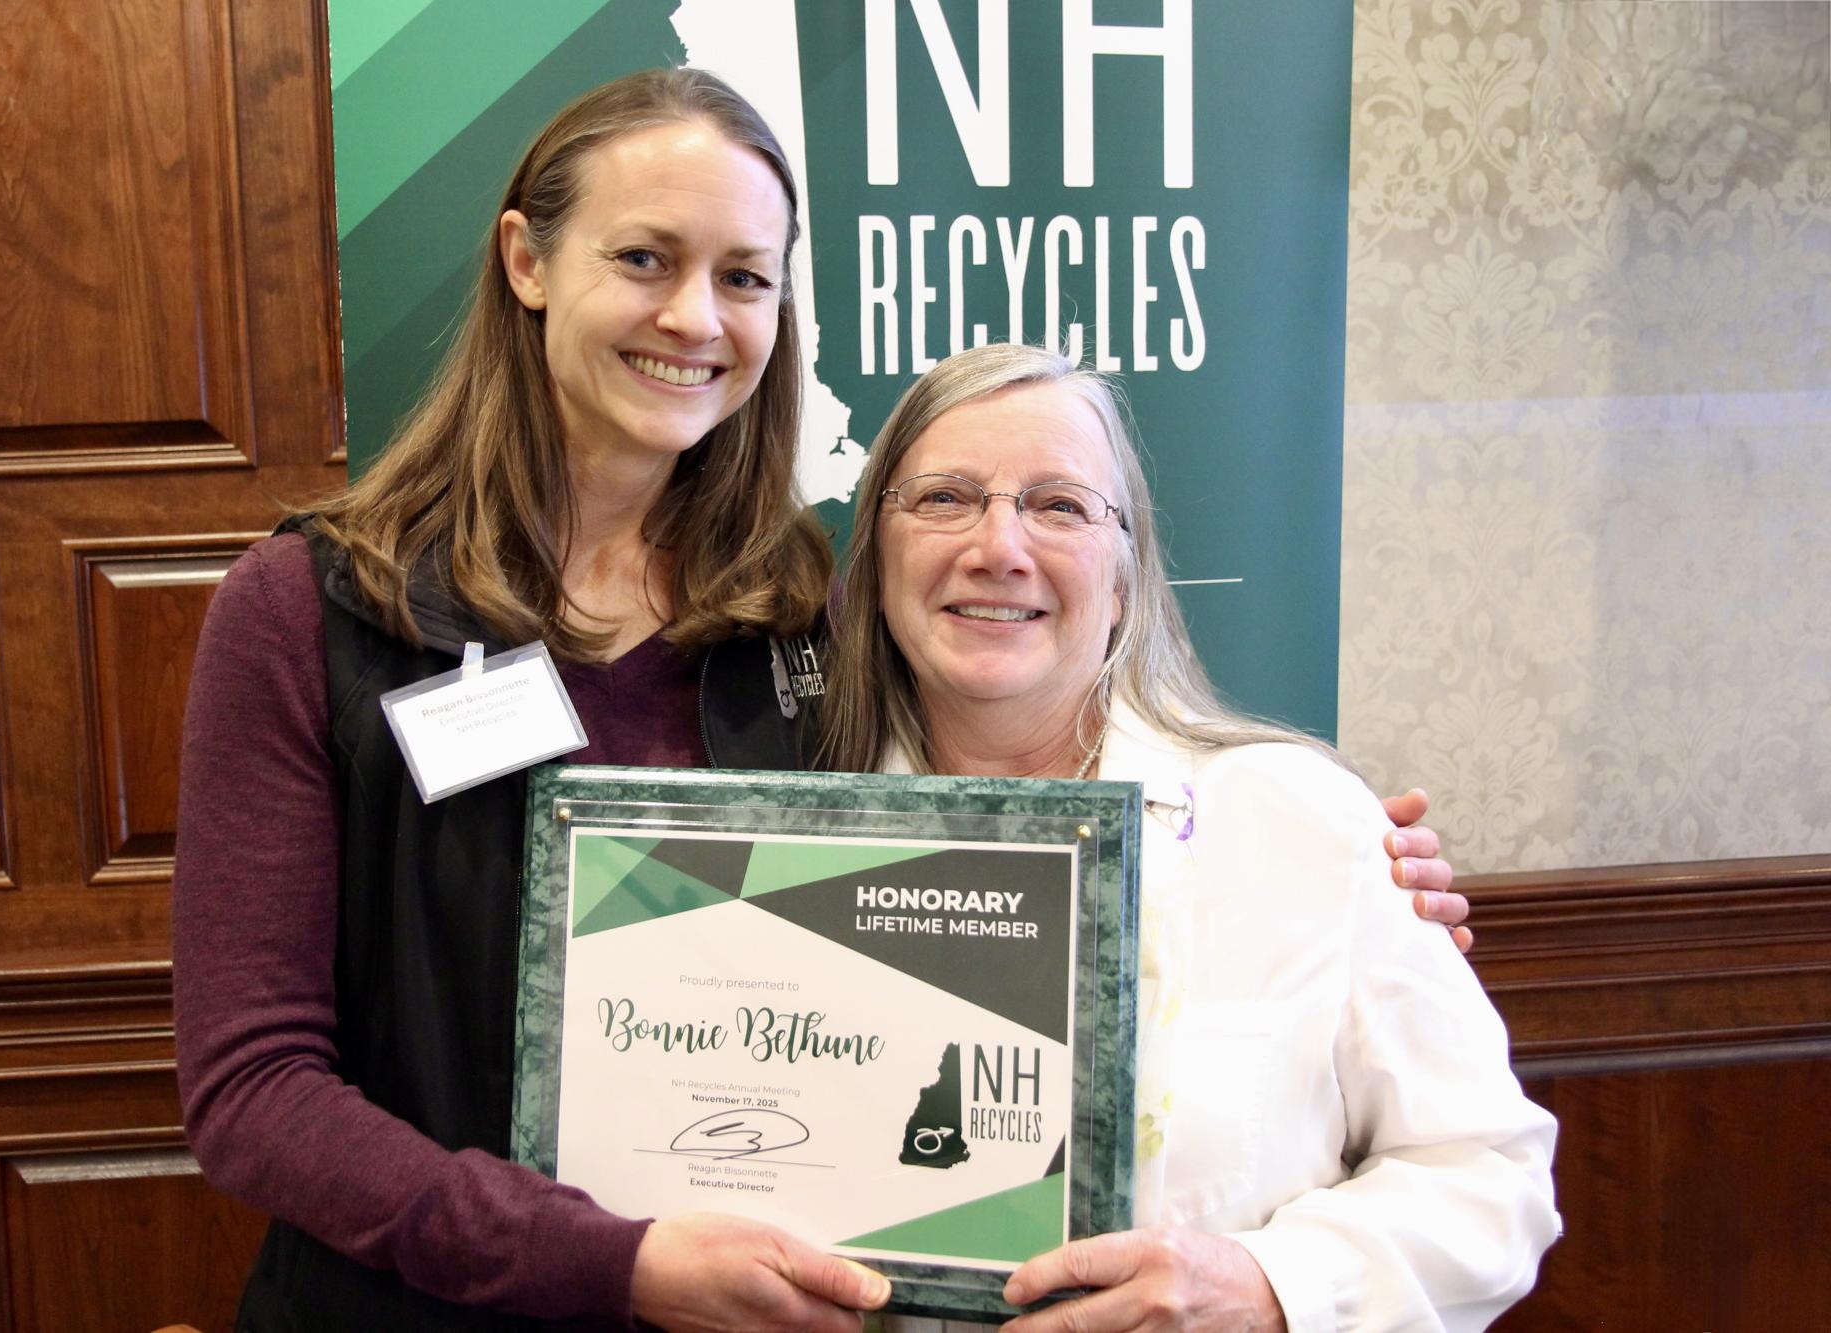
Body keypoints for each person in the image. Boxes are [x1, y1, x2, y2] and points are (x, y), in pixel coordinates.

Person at [173, 69, 1469, 1331]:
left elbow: (1007, 827)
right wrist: (610, 1263)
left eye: (744, 277)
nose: (697, 316)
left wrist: (1356, 880)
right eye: (644, 259)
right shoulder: (310, 613)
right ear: (526, 260)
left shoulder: (802, 614)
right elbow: (253, 1093)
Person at [818, 343, 1558, 1331]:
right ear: (874, 564)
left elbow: (1489, 1175)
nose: (997, 547)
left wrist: (1271, 1286)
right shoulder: (788, 854)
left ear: (1123, 577)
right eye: (945, 498)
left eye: (1058, 506)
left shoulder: (1302, 822)